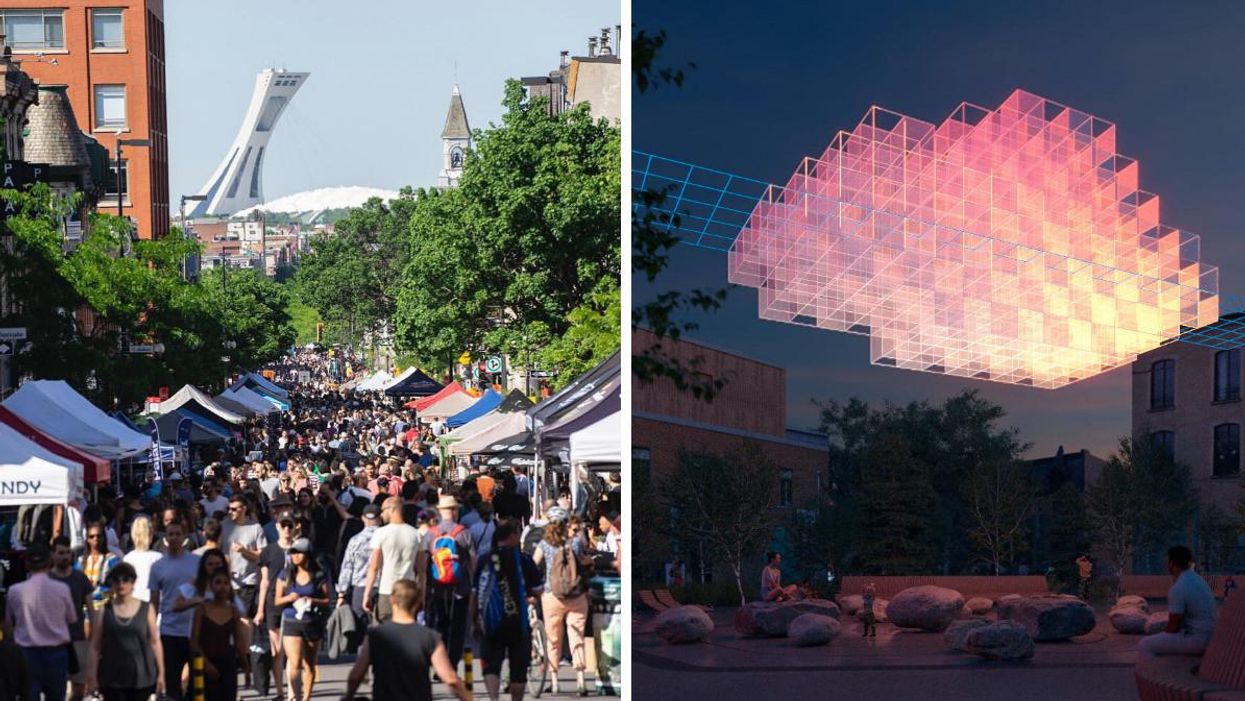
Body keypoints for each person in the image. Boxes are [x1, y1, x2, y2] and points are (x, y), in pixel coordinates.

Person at [341, 579, 469, 701]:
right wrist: (467, 698)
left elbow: (356, 675)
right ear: (419, 602)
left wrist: (348, 696)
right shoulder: (430, 637)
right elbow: (450, 678)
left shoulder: (375, 636)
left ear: (392, 600)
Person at [471, 519, 543, 701]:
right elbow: (537, 590)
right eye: (517, 534)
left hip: (491, 622)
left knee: (491, 666)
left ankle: (494, 698)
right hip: (518, 624)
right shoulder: (524, 560)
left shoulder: (485, 559)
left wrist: (475, 619)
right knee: (518, 670)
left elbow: (475, 592)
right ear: (511, 536)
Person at [2, 544, 76, 701]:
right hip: (56, 653)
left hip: (26, 653)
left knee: (28, 696)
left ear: (27, 564)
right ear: (50, 561)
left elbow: (8, 626)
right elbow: (71, 619)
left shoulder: (15, 591)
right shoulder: (62, 589)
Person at [85, 562, 164, 701]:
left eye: (125, 579)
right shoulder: (104, 610)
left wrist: (162, 673)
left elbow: (155, 642)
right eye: (116, 579)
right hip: (112, 678)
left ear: (133, 582)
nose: (121, 583)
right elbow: (95, 646)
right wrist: (91, 676)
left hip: (141, 677)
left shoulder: (147, 609)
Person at [531, 517, 592, 695]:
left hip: (552, 595)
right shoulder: (576, 543)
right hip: (576, 595)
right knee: (577, 635)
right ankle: (580, 679)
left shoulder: (544, 544)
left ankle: (555, 681)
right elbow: (584, 561)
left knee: (553, 639)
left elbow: (534, 565)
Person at [418, 493, 476, 669]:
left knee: (439, 625)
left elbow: (422, 565)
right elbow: (473, 561)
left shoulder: (431, 534)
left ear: (440, 511)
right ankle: (452, 664)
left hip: (437, 587)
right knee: (458, 628)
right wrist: (473, 585)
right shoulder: (464, 533)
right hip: (460, 588)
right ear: (455, 511)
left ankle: (439, 664)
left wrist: (423, 588)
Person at [147, 520, 200, 700]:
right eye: (171, 534)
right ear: (166, 539)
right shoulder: (157, 566)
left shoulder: (196, 562)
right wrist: (151, 629)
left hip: (195, 631)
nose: (174, 538)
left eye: (178, 534)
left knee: (196, 686)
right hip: (169, 631)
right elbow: (154, 601)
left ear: (184, 537)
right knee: (172, 686)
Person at [275, 537, 331, 701]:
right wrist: (289, 598)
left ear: (307, 555)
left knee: (309, 664)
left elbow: (327, 600)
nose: (295, 556)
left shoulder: (319, 574)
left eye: (299, 552)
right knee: (295, 663)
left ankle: (307, 697)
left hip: (313, 622)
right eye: (292, 553)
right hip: (292, 621)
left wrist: (313, 600)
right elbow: (277, 600)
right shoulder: (285, 574)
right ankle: (297, 697)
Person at [1138, 545, 1218, 658]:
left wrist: (1162, 636)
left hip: (1197, 641)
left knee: (1145, 645)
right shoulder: (1197, 579)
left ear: (1171, 563)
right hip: (1210, 636)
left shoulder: (1179, 587)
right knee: (1160, 639)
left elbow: (1173, 627)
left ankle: (1155, 673)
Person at [190, 569, 249, 701]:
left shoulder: (233, 610)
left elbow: (239, 640)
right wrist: (206, 664)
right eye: (218, 583)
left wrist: (246, 666)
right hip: (205, 661)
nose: (222, 587)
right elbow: (194, 641)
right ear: (211, 586)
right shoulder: (201, 609)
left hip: (227, 662)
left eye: (226, 583)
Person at [363, 496, 423, 624]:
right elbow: (421, 570)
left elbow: (374, 567)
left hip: (387, 590)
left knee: (384, 634)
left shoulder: (381, 533)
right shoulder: (416, 534)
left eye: (383, 510)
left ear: (392, 510)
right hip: (409, 591)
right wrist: (422, 595)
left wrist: (367, 594)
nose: (382, 514)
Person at [256, 510, 296, 700]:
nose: (287, 528)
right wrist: (259, 610)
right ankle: (280, 692)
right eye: (284, 525)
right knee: (277, 651)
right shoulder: (268, 551)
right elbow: (264, 581)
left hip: (296, 604)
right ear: (277, 526)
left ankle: (292, 693)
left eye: (290, 525)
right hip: (274, 603)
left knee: (293, 651)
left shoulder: (300, 549)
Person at [50, 536, 93, 701]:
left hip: (78, 638)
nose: (65, 556)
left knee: (80, 687)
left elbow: (91, 609)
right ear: (53, 554)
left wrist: (94, 637)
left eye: (68, 552)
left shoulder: (80, 578)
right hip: (54, 641)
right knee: (56, 686)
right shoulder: (47, 579)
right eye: (61, 552)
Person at [223, 495, 266, 623]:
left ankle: (246, 643)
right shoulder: (224, 526)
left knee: (244, 618)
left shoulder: (255, 528)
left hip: (248, 581)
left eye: (234, 509)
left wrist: (244, 551)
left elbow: (262, 555)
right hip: (228, 581)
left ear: (244, 509)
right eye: (229, 509)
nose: (230, 512)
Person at [337, 503, 381, 621]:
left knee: (360, 628)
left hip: (360, 589)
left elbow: (347, 567)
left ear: (363, 518)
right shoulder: (386, 538)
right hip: (381, 588)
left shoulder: (355, 540)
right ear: (380, 518)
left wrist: (342, 593)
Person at [80, 522, 121, 611]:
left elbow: (119, 585)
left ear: (104, 538)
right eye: (92, 536)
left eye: (99, 536)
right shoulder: (80, 561)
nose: (96, 539)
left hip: (104, 608)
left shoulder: (112, 560)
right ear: (87, 539)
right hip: (83, 609)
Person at [121, 515, 162, 603]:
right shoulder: (158, 558)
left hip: (134, 607)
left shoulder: (127, 559)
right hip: (154, 608)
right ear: (150, 534)